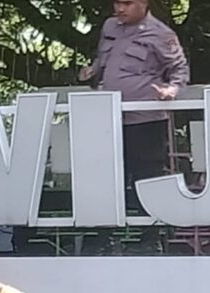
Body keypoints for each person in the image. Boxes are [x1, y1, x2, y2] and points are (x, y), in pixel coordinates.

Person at [79, 0, 189, 204]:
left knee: (146, 176)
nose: (120, 9)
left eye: (127, 3)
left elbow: (179, 69)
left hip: (144, 119)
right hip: (108, 117)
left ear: (144, 3)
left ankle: (151, 230)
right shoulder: (110, 26)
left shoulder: (161, 33)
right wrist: (93, 70)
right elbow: (105, 57)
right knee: (105, 175)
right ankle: (106, 231)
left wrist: (171, 90)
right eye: (116, 3)